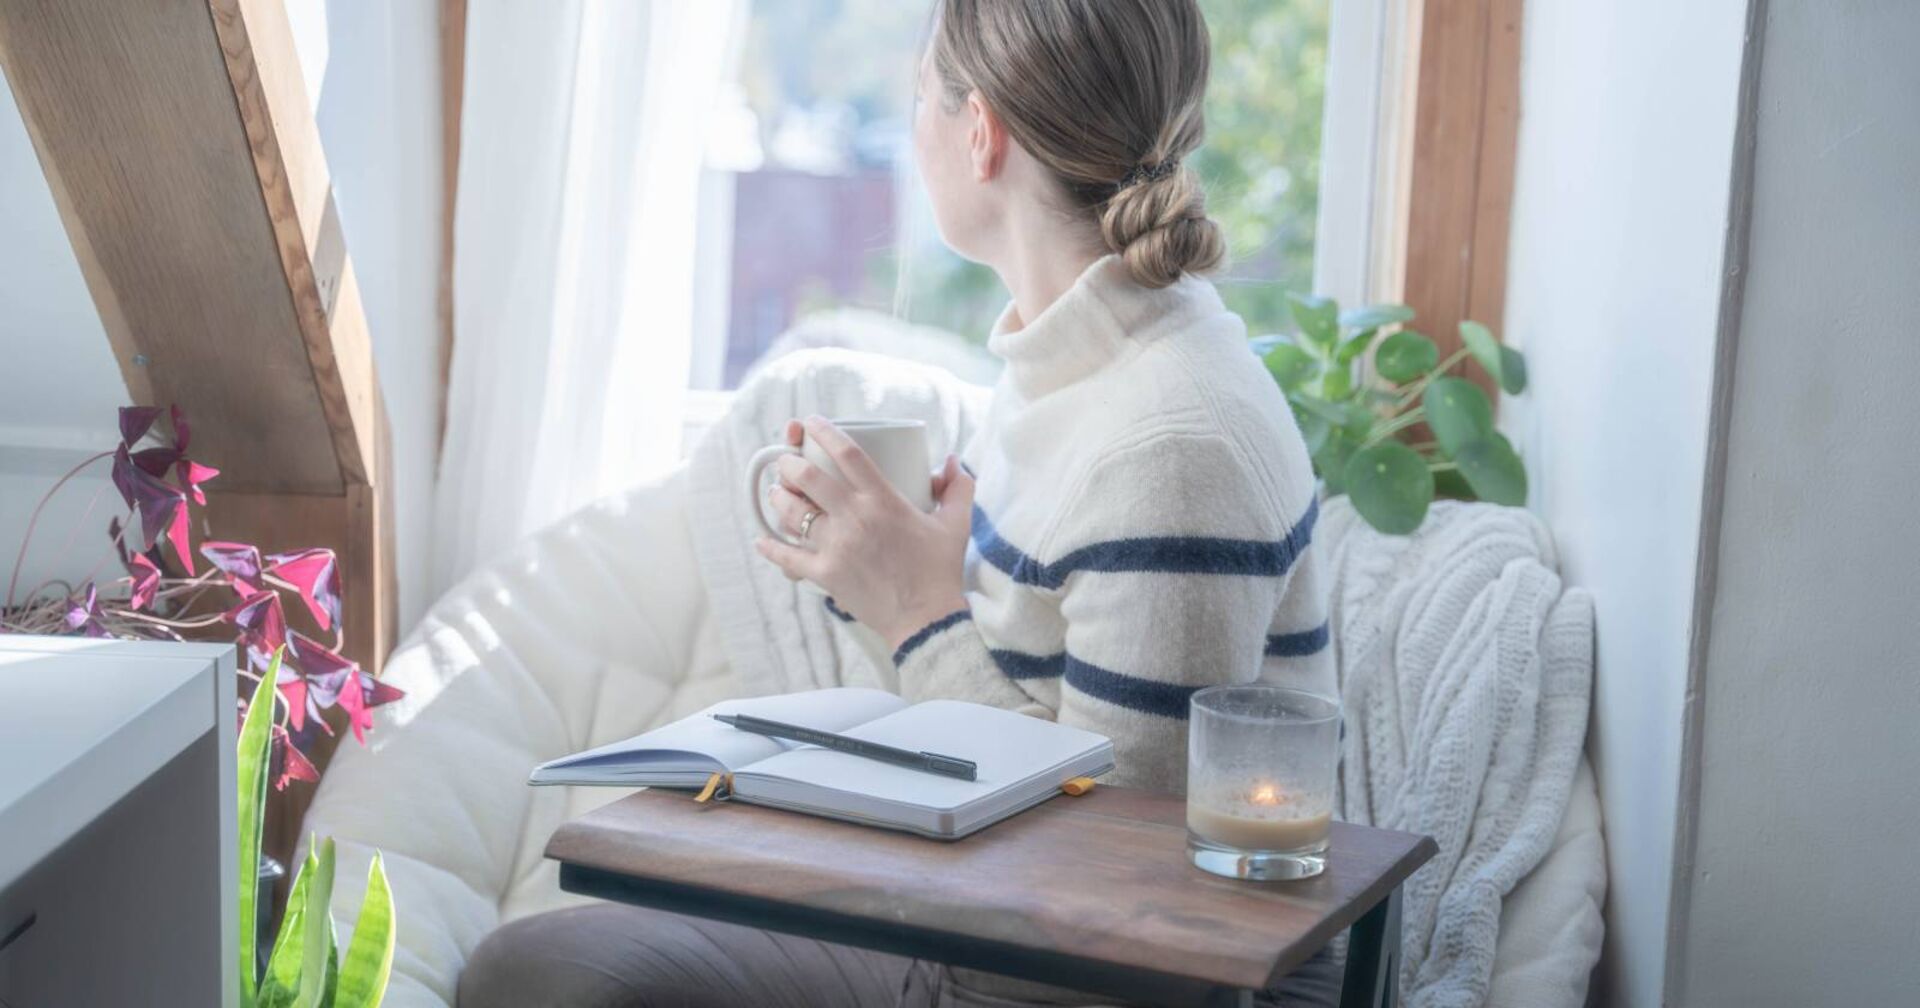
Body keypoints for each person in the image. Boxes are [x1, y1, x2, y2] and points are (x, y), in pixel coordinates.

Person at [461, 2, 1335, 1004]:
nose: (913, 127)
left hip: (1055, 969)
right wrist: (894, 570)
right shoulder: (1072, 357)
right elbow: (1043, 718)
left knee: (547, 974)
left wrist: (920, 615)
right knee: (555, 948)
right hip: (995, 910)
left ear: (980, 130)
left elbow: (1116, 881)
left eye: (921, 97)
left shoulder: (1169, 441)